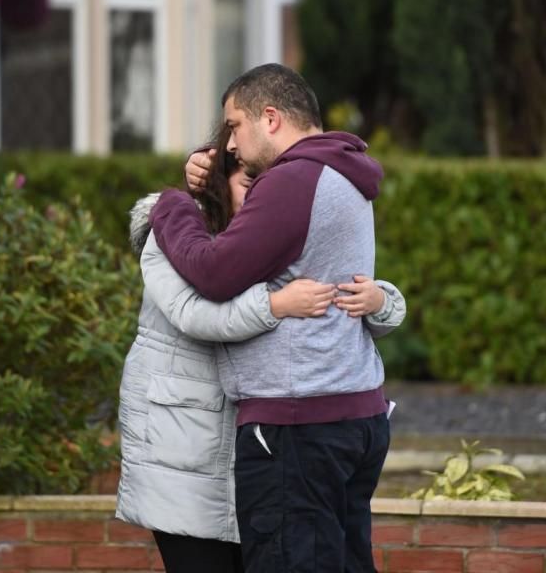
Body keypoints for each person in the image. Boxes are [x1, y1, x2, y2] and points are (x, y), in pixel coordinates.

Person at [117, 125, 406, 573]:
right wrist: (275, 305)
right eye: (249, 185)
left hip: (253, 442)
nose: (262, 198)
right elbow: (196, 315)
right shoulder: (171, 233)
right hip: (184, 446)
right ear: (217, 181)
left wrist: (382, 300)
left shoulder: (269, 239)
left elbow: (336, 279)